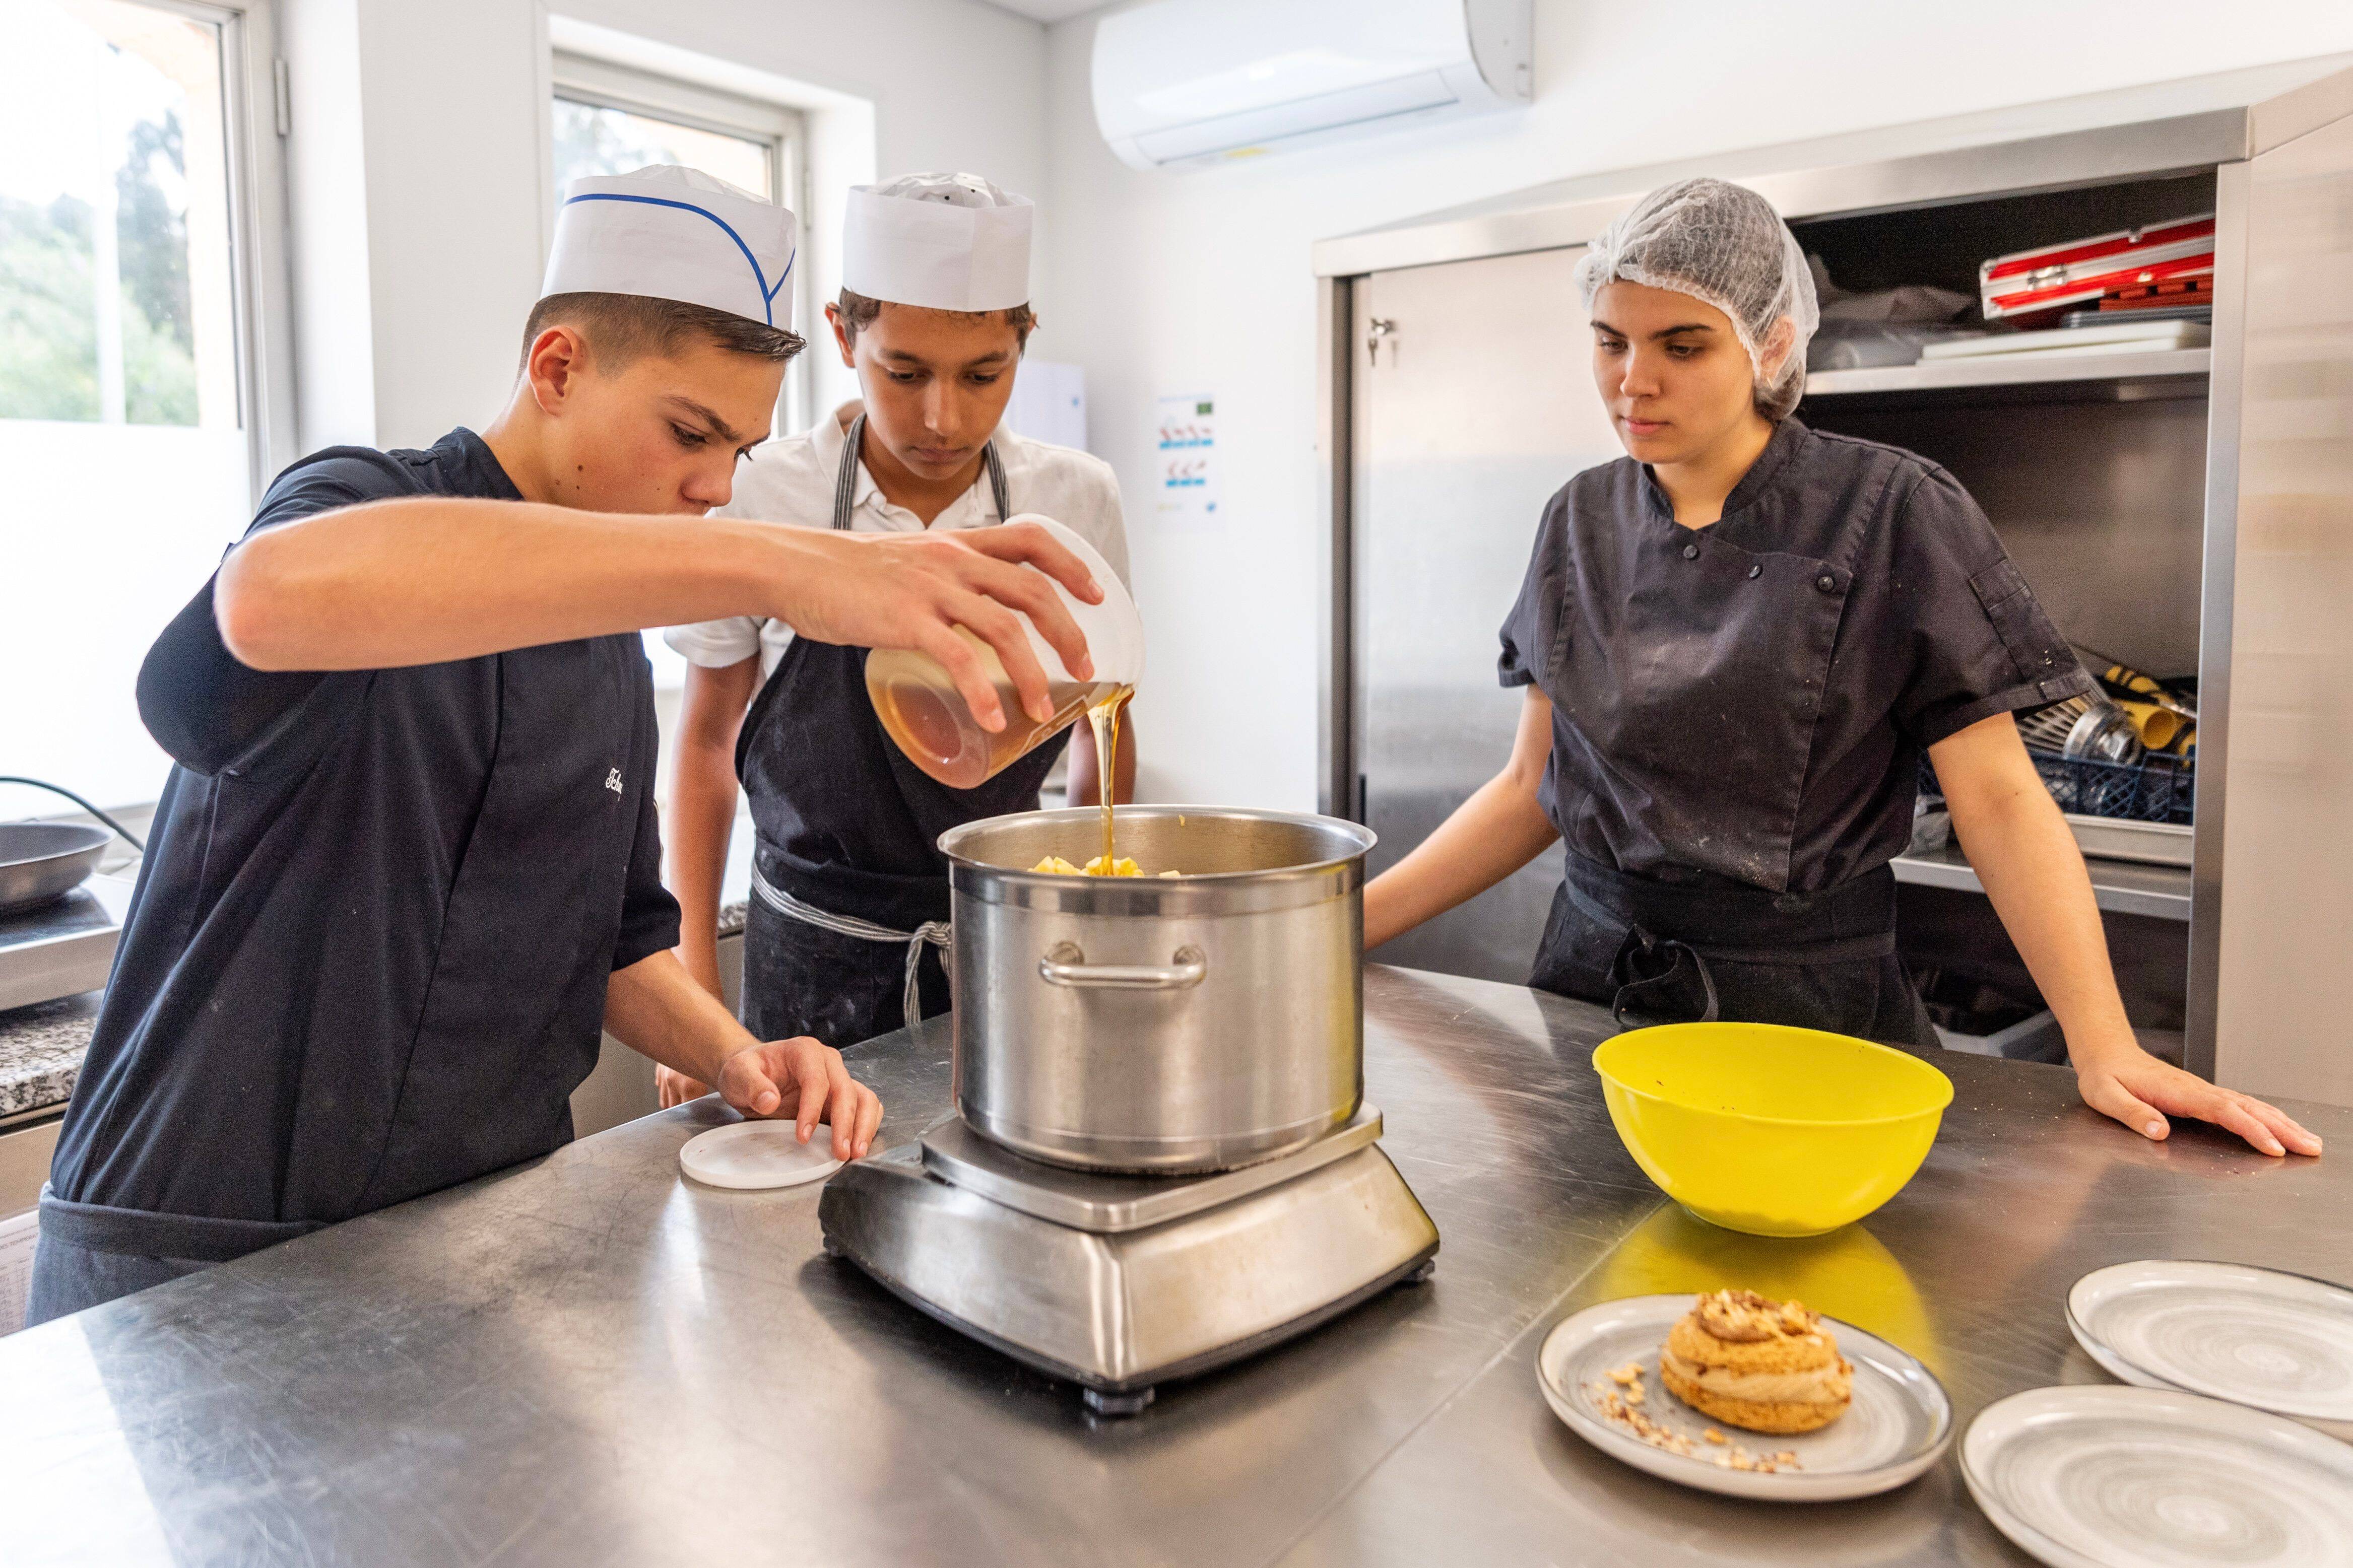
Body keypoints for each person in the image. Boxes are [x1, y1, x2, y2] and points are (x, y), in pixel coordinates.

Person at [28, 165, 1115, 1325]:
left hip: (466, 1245)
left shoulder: (604, 638)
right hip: (198, 1254)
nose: (713, 487)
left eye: (739, 452)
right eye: (689, 433)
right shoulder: (361, 501)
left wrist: (736, 1052)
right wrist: (774, 560)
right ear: (557, 368)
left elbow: (609, 936)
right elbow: (268, 603)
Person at [1363, 177, 2320, 1161]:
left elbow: (1996, 799)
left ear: (1770, 345)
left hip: (1803, 1012)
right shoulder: (1579, 518)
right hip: (1588, 989)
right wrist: (1338, 933)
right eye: (1611, 340)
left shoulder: (1893, 508)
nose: (1630, 382)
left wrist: (2103, 1045)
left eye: (1681, 346)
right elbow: (1536, 784)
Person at [658, 173, 1132, 1104]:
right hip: (806, 964)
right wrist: (692, 993)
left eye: (983, 374)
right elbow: (708, 743)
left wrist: (1100, 923)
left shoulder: (1075, 499)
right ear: (842, 336)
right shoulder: (761, 492)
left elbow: (1101, 724)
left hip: (1008, 945)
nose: (940, 418)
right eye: (903, 373)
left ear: (1022, 344)